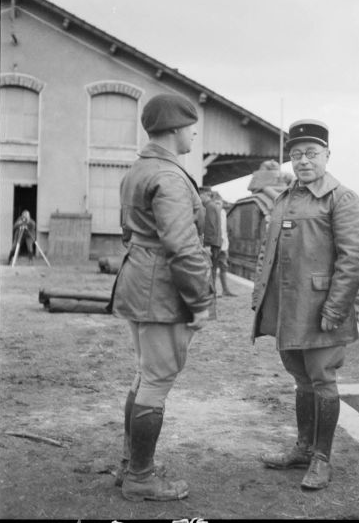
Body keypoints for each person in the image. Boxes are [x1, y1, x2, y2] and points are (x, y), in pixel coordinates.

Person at [252, 119, 359, 490]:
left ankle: (322, 458)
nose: (303, 160)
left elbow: (353, 260)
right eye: (297, 154)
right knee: (301, 379)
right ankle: (303, 449)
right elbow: (268, 252)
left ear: (327, 155)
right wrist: (260, 298)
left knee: (323, 380)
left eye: (312, 153)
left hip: (319, 309)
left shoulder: (341, 198)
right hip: (288, 309)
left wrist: (335, 309)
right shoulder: (286, 197)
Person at [110, 93, 214, 502]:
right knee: (156, 380)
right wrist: (200, 300)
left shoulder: (139, 169)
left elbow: (127, 230)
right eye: (190, 128)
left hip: (138, 281)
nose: (193, 135)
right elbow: (182, 246)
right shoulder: (169, 176)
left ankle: (130, 464)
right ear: (174, 129)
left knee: (144, 375)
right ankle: (140, 477)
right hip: (161, 291)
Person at [212, 192, 237, 297]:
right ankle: (213, 291)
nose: (218, 205)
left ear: (222, 203)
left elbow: (224, 229)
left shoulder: (223, 213)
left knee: (224, 267)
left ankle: (225, 290)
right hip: (214, 244)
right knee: (213, 268)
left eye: (219, 203)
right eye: (216, 203)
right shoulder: (210, 213)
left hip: (224, 245)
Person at [199, 186, 222, 285]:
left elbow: (210, 226)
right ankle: (212, 291)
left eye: (200, 195)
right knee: (212, 270)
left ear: (206, 195)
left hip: (211, 244)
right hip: (215, 243)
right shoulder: (214, 206)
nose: (199, 198)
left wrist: (207, 244)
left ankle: (210, 292)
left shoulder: (209, 207)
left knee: (209, 271)